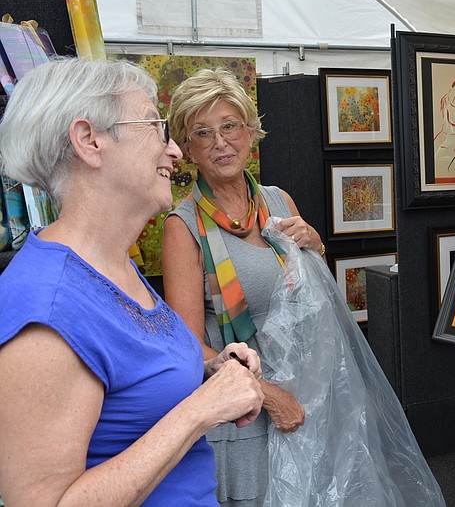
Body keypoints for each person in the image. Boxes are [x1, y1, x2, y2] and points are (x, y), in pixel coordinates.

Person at [0, 58, 265, 506]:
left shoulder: (110, 265)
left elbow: (128, 374)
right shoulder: (47, 306)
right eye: (152, 125)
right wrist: (201, 411)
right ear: (89, 141)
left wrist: (214, 368)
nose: (175, 151)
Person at [161, 68, 312, 507]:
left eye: (230, 126)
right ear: (187, 149)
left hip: (300, 391)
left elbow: (308, 297)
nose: (220, 142)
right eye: (203, 133)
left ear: (250, 131)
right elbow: (188, 347)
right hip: (241, 415)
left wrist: (316, 244)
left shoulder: (280, 201)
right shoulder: (182, 226)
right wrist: (268, 396)